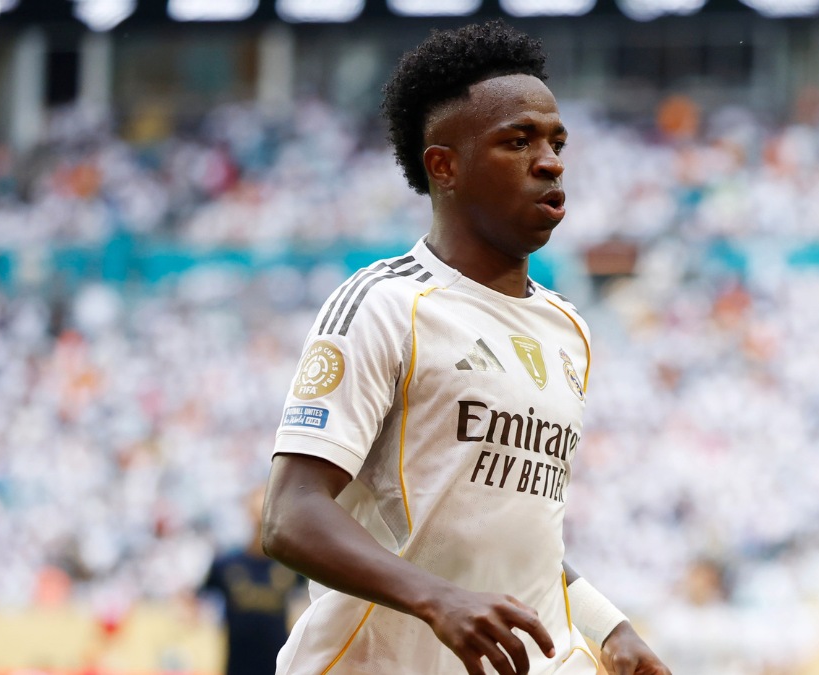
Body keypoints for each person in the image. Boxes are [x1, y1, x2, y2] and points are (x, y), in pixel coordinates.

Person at [260, 21, 671, 675]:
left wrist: (608, 626)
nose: (550, 161)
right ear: (444, 166)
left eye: (557, 142)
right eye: (518, 141)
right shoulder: (385, 304)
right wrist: (437, 598)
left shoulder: (569, 328)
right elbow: (290, 515)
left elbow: (513, 534)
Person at [202, 487, 304, 675]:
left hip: (278, 663)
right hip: (237, 663)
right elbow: (198, 599)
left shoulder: (291, 565)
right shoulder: (226, 565)